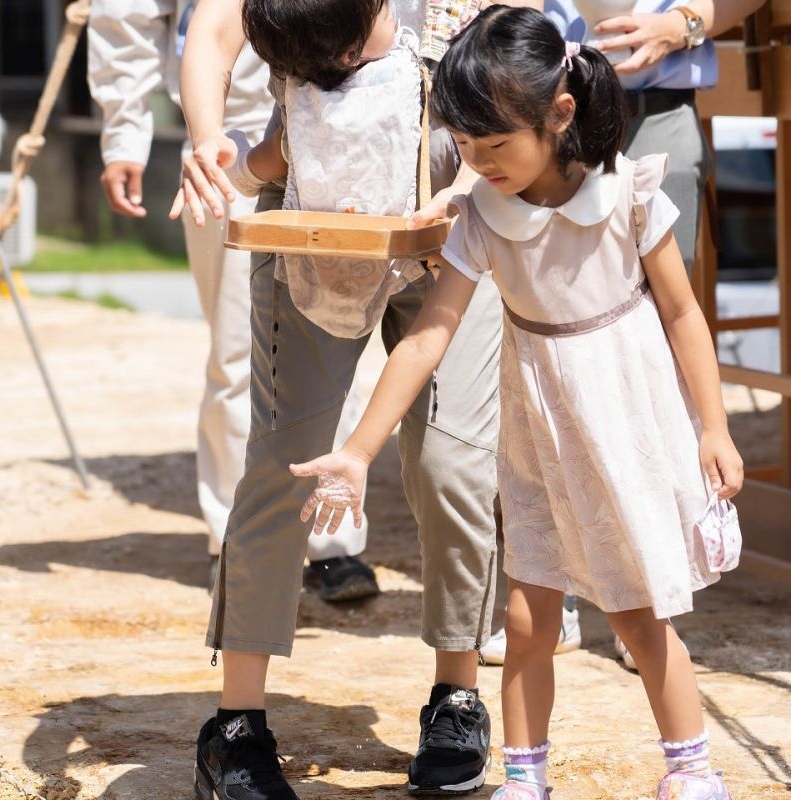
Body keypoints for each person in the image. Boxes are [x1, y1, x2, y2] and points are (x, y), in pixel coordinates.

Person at [292, 7, 744, 800]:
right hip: (539, 440)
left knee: (639, 616)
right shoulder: (480, 218)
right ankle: (526, 778)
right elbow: (429, 337)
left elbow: (683, 314)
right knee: (529, 623)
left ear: (559, 113)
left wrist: (714, 427)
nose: (480, 163)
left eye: (495, 145)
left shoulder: (632, 194)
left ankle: (692, 769)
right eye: (465, 147)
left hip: (623, 424)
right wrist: (358, 449)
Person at [176, 1, 512, 797]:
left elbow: (516, 22)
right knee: (282, 462)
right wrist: (206, 138)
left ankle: (456, 694)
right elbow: (216, 27)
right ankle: (236, 727)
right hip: (308, 199)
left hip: (454, 199)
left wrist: (472, 179)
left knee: (452, 459)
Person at [478, 0, 766, 669]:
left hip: (658, 97)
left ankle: (651, 592)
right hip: (538, 102)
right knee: (549, 342)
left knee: (649, 347)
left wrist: (689, 21)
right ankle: (557, 589)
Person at [86, 0, 381, 602]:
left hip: (350, 121)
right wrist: (125, 130)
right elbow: (130, 13)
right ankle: (233, 539)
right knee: (237, 352)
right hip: (228, 132)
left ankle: (333, 541)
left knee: (339, 339)